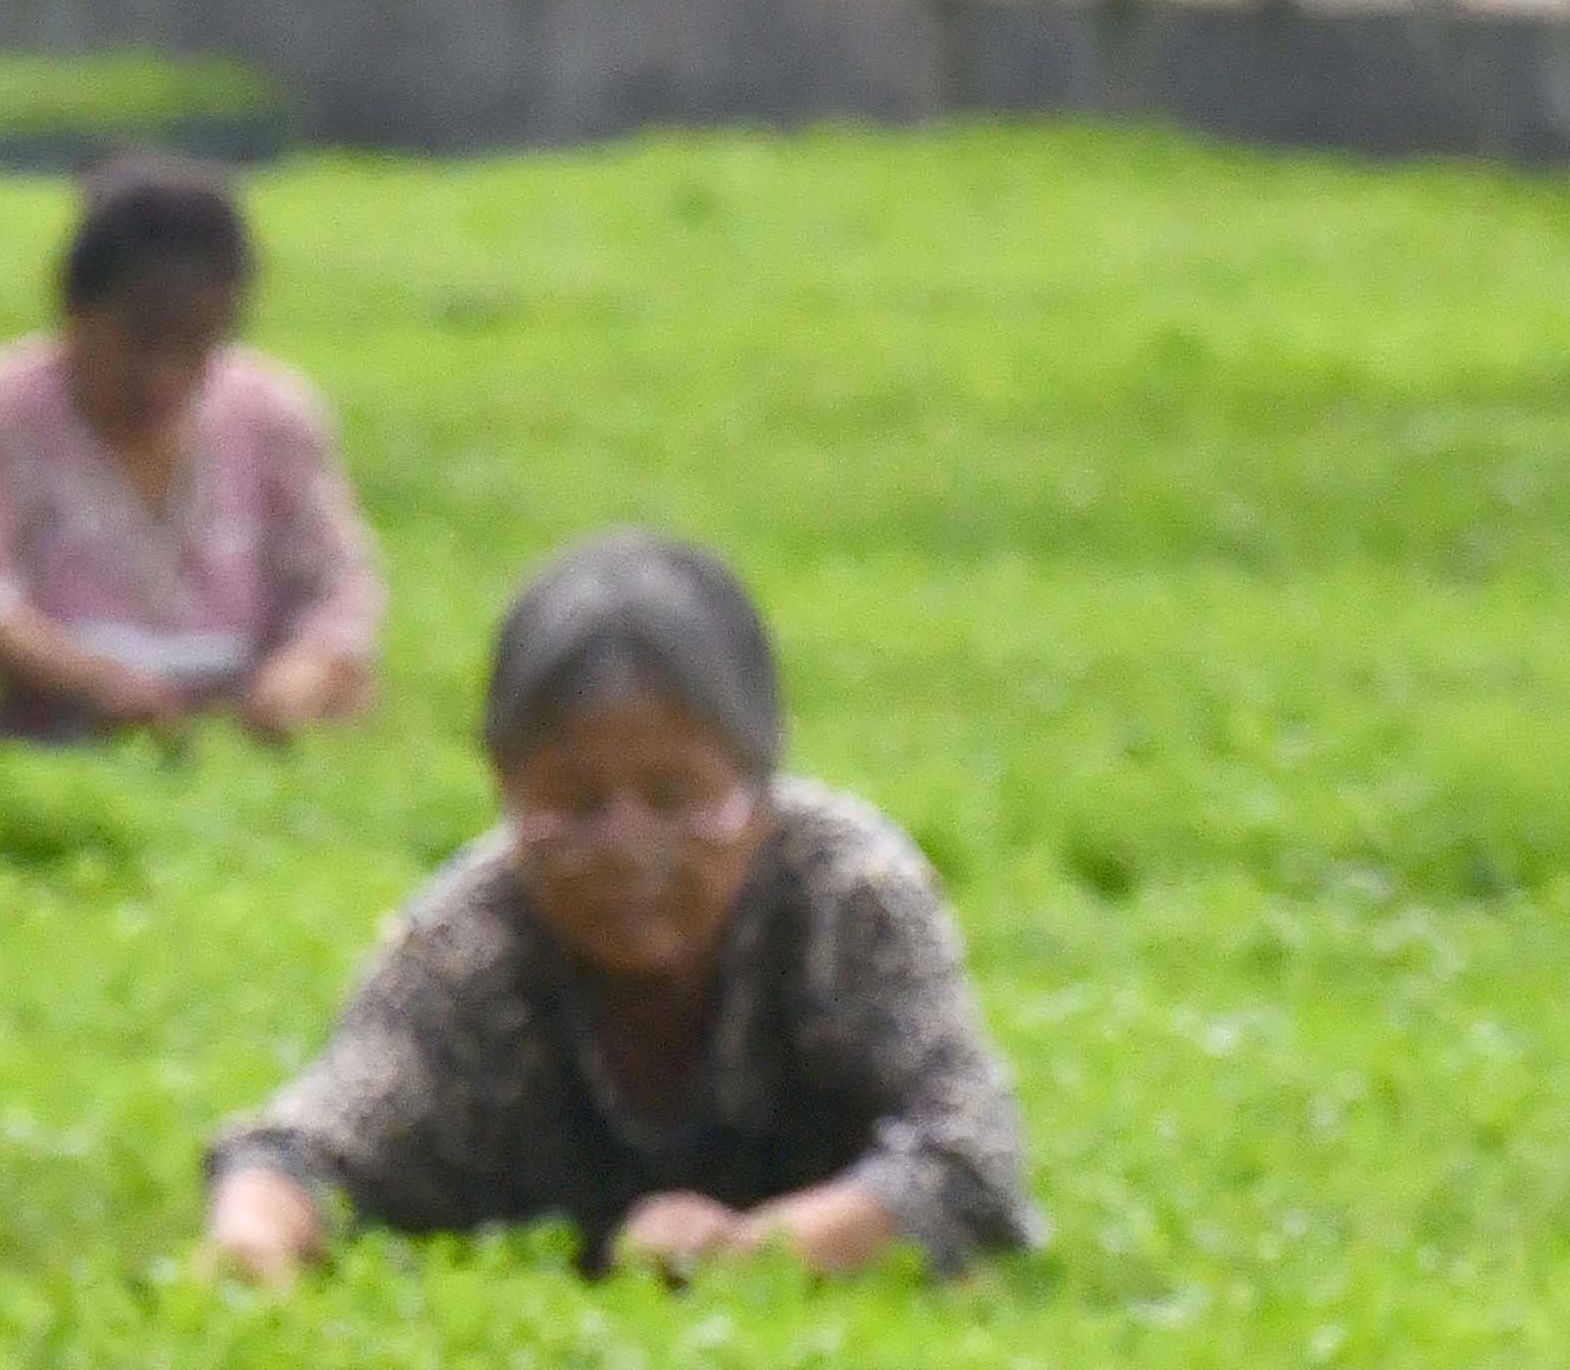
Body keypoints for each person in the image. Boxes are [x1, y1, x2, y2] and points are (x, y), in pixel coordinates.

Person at [203, 531, 1035, 1289]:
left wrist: (759, 1250)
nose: (625, 847)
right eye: (571, 802)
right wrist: (256, 1237)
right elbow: (311, 1138)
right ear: (505, 788)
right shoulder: (469, 934)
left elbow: (972, 1151)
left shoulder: (845, 894)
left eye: (675, 798)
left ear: (758, 778)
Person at [0, 154, 386, 749]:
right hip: (57, 713)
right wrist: (91, 681)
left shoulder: (275, 414)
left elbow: (339, 584)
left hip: (244, 719)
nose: (162, 377)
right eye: (137, 344)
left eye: (193, 346)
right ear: (75, 312)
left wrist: (301, 675)